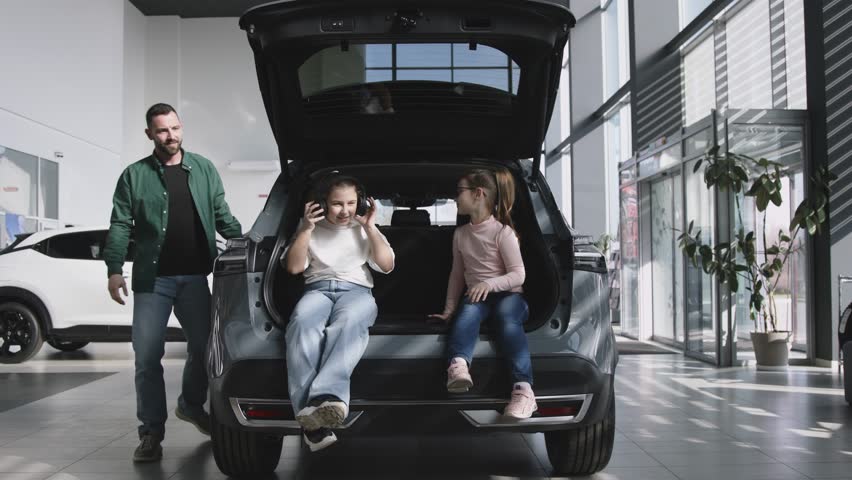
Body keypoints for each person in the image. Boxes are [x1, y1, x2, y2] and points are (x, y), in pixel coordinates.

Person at [102, 103, 242, 462]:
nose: (171, 136)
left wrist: (248, 243)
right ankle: (150, 433)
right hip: (153, 280)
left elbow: (222, 215)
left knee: (205, 348)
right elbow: (120, 224)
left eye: (175, 128)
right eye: (163, 130)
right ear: (150, 134)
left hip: (196, 276)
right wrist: (114, 268)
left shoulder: (204, 169)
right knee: (147, 358)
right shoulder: (134, 175)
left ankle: (191, 405)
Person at [282, 174, 394, 452]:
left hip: (356, 291)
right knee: (301, 323)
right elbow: (294, 268)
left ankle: (326, 397)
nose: (345, 211)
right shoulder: (310, 227)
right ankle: (314, 421)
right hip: (317, 290)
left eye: (351, 203)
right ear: (322, 203)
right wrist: (306, 228)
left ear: (361, 203)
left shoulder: (365, 226)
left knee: (347, 322)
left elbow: (387, 265)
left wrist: (370, 227)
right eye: (336, 204)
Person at [429, 167, 536, 419]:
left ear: (478, 194)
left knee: (506, 320)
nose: (455, 198)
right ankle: (458, 366)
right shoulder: (461, 234)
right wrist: (449, 308)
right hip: (478, 297)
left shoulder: (502, 233)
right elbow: (457, 274)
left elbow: (518, 274)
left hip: (510, 296)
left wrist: (489, 284)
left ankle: (524, 391)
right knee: (465, 315)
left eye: (459, 192)